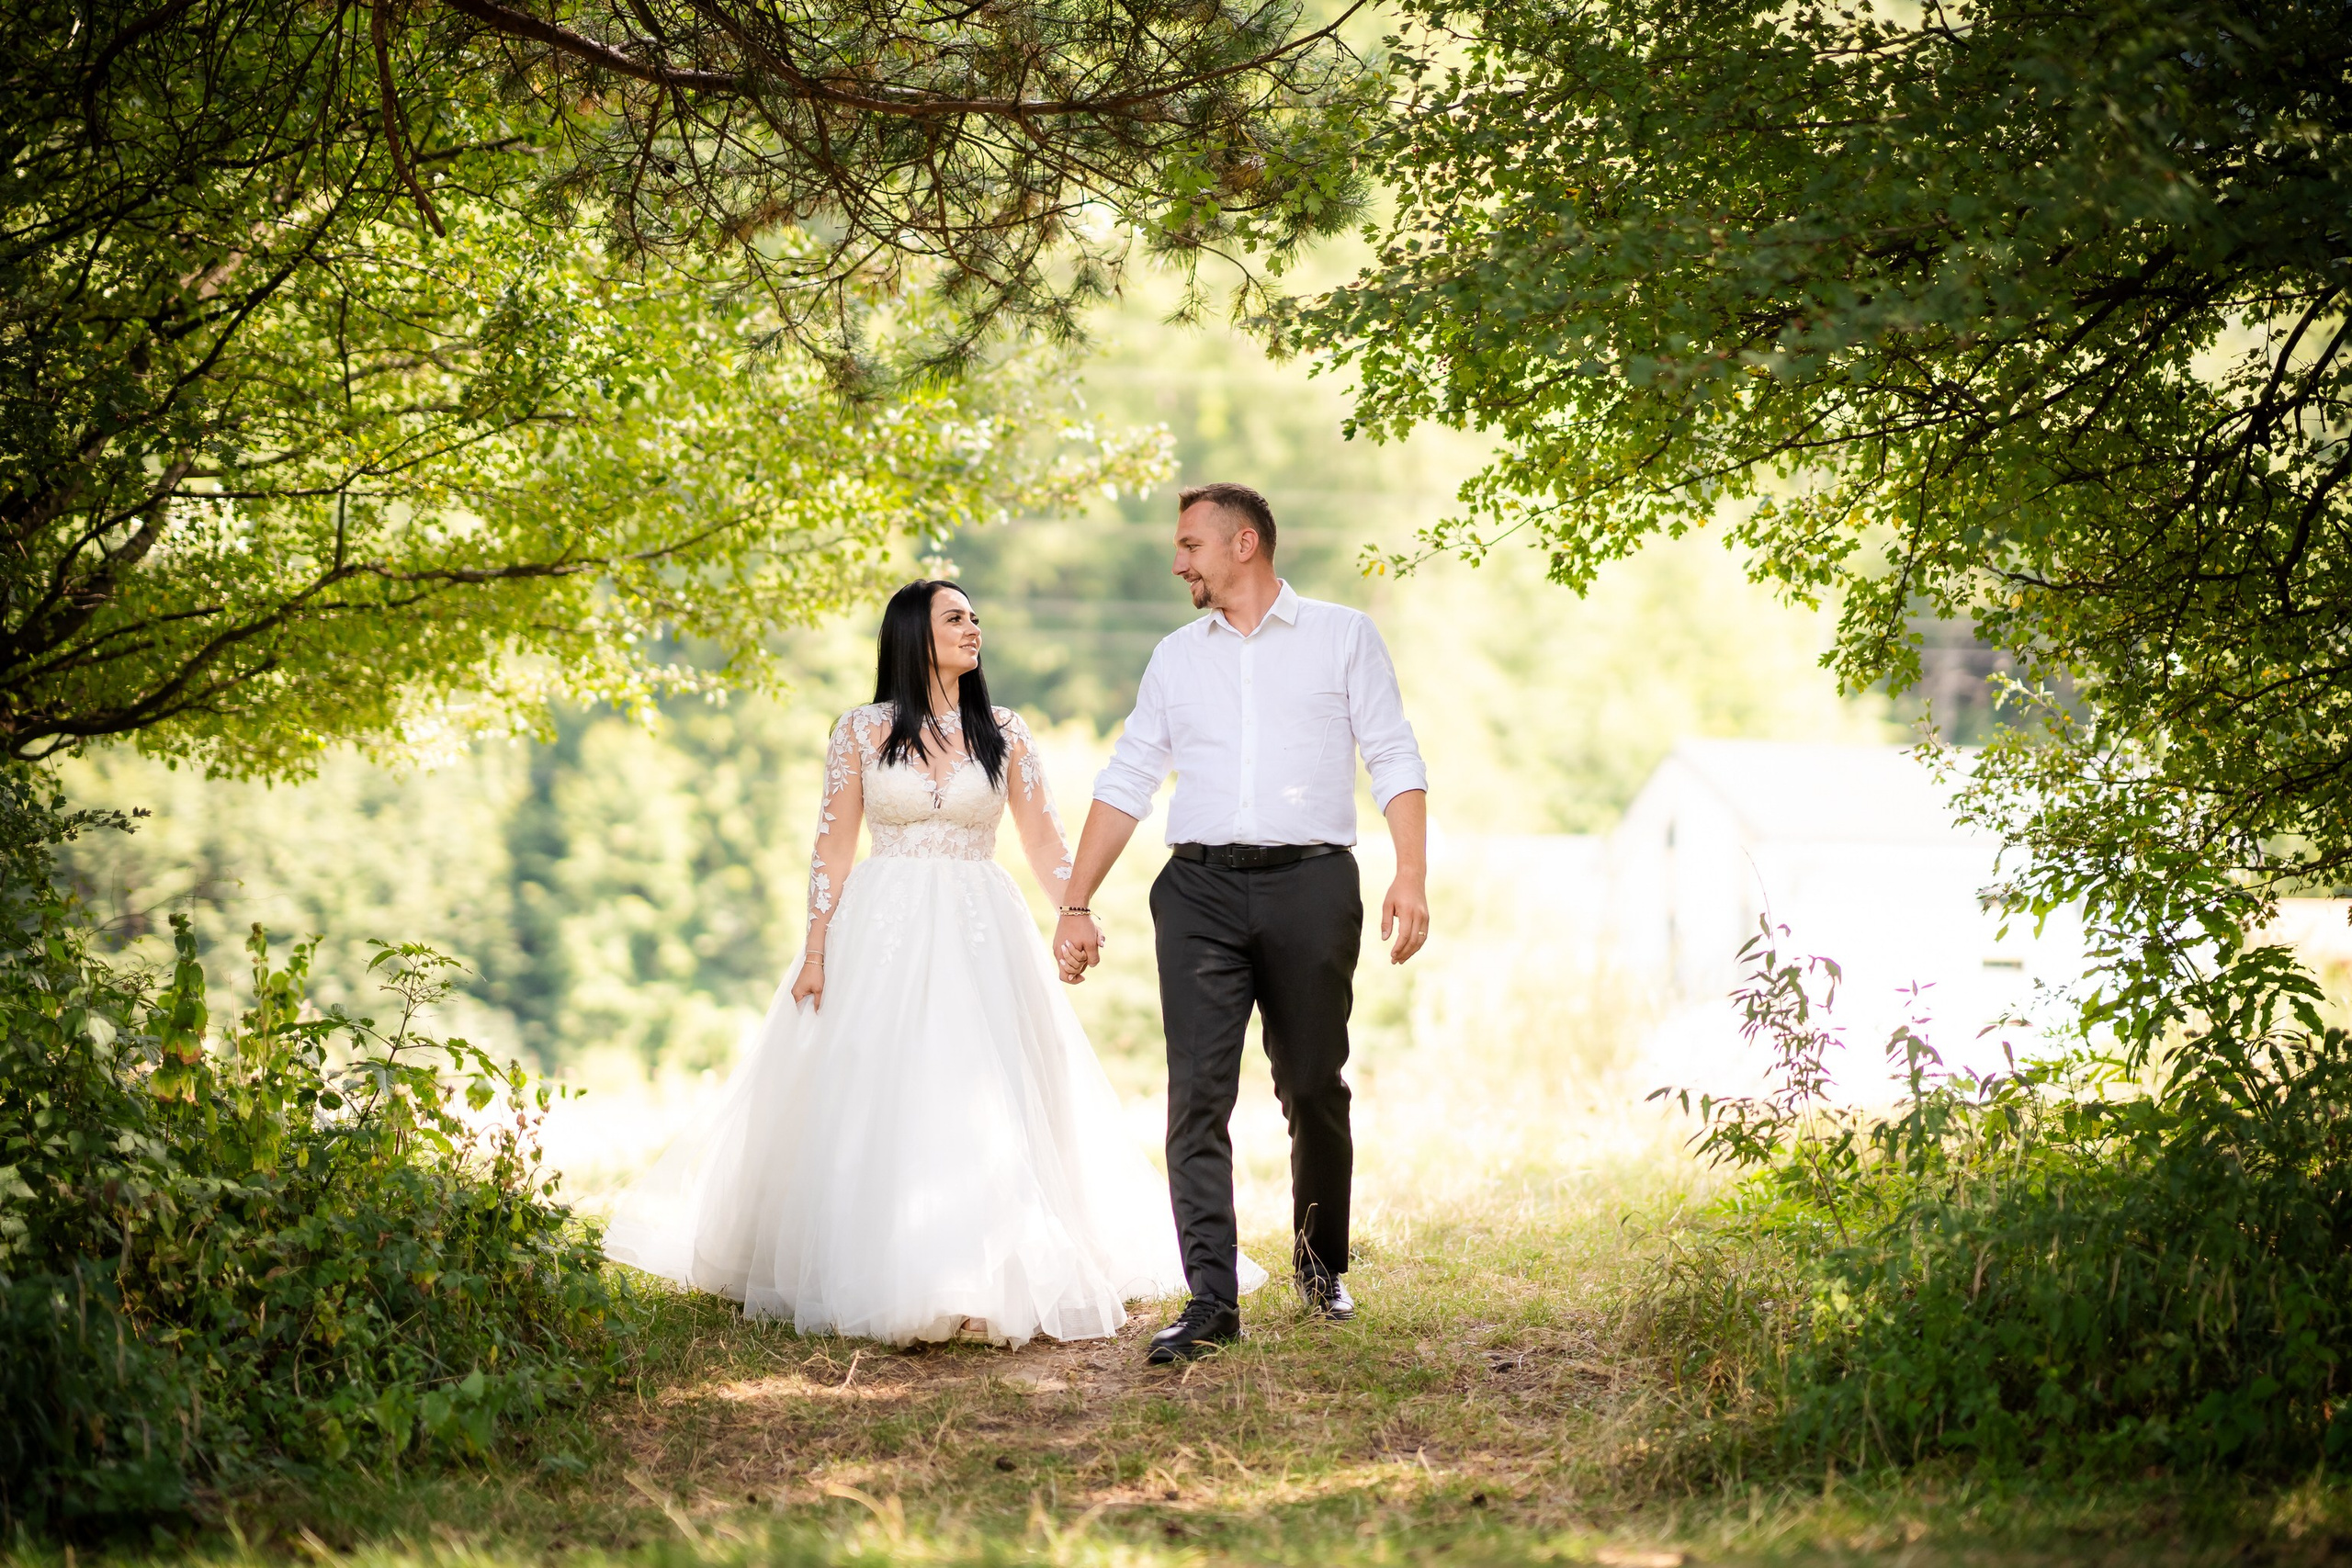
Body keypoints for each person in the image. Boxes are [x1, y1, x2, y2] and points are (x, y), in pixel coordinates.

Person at [602, 579, 1225, 1348]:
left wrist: (1079, 906)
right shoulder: (860, 731)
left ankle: (985, 1268)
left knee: (985, 1084)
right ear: (912, 635)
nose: (975, 628)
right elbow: (832, 846)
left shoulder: (1005, 730)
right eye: (955, 617)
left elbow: (1044, 842)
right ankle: (881, 1263)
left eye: (975, 617)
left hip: (980, 925)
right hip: (883, 925)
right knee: (883, 1084)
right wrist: (816, 950)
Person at [1055, 482, 1431, 1364]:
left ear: (1245, 543)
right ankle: (1211, 1300)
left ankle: (1318, 1263)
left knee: (1310, 1084)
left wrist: (1408, 872)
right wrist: (1075, 901)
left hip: (1312, 884)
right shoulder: (1174, 659)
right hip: (1198, 893)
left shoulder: (1343, 636)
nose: (1179, 560)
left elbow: (1393, 753)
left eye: (1191, 544)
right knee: (1197, 1096)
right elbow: (1126, 781)